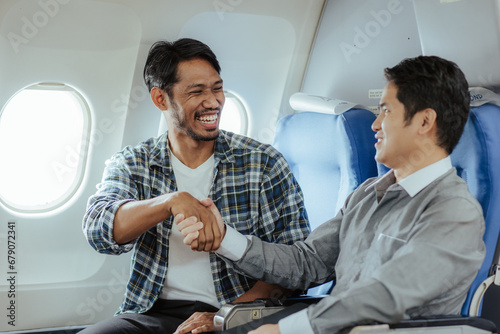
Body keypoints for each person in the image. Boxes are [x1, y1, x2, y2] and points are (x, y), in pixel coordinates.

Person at [177, 55, 486, 334]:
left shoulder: (454, 211)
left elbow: (387, 295)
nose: (375, 125)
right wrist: (222, 238)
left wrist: (286, 330)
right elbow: (305, 263)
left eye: (387, 111)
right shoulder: (367, 194)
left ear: (424, 121)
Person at [81, 38, 310, 334]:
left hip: (240, 311)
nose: (213, 102)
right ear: (160, 99)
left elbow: (294, 264)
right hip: (152, 312)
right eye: (197, 92)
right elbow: (99, 231)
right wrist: (170, 202)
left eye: (217, 88)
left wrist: (225, 316)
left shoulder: (263, 163)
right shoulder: (133, 162)